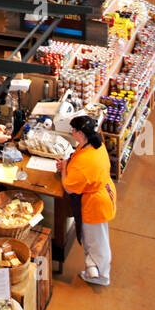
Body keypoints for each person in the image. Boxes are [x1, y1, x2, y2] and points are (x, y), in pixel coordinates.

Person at [59, 113, 116, 287]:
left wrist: (63, 168)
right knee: (98, 239)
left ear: (80, 134)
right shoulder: (95, 145)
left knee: (96, 242)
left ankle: (100, 275)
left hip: (95, 204)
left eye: (73, 130)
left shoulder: (86, 161)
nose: (72, 133)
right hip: (103, 194)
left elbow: (68, 187)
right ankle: (97, 268)